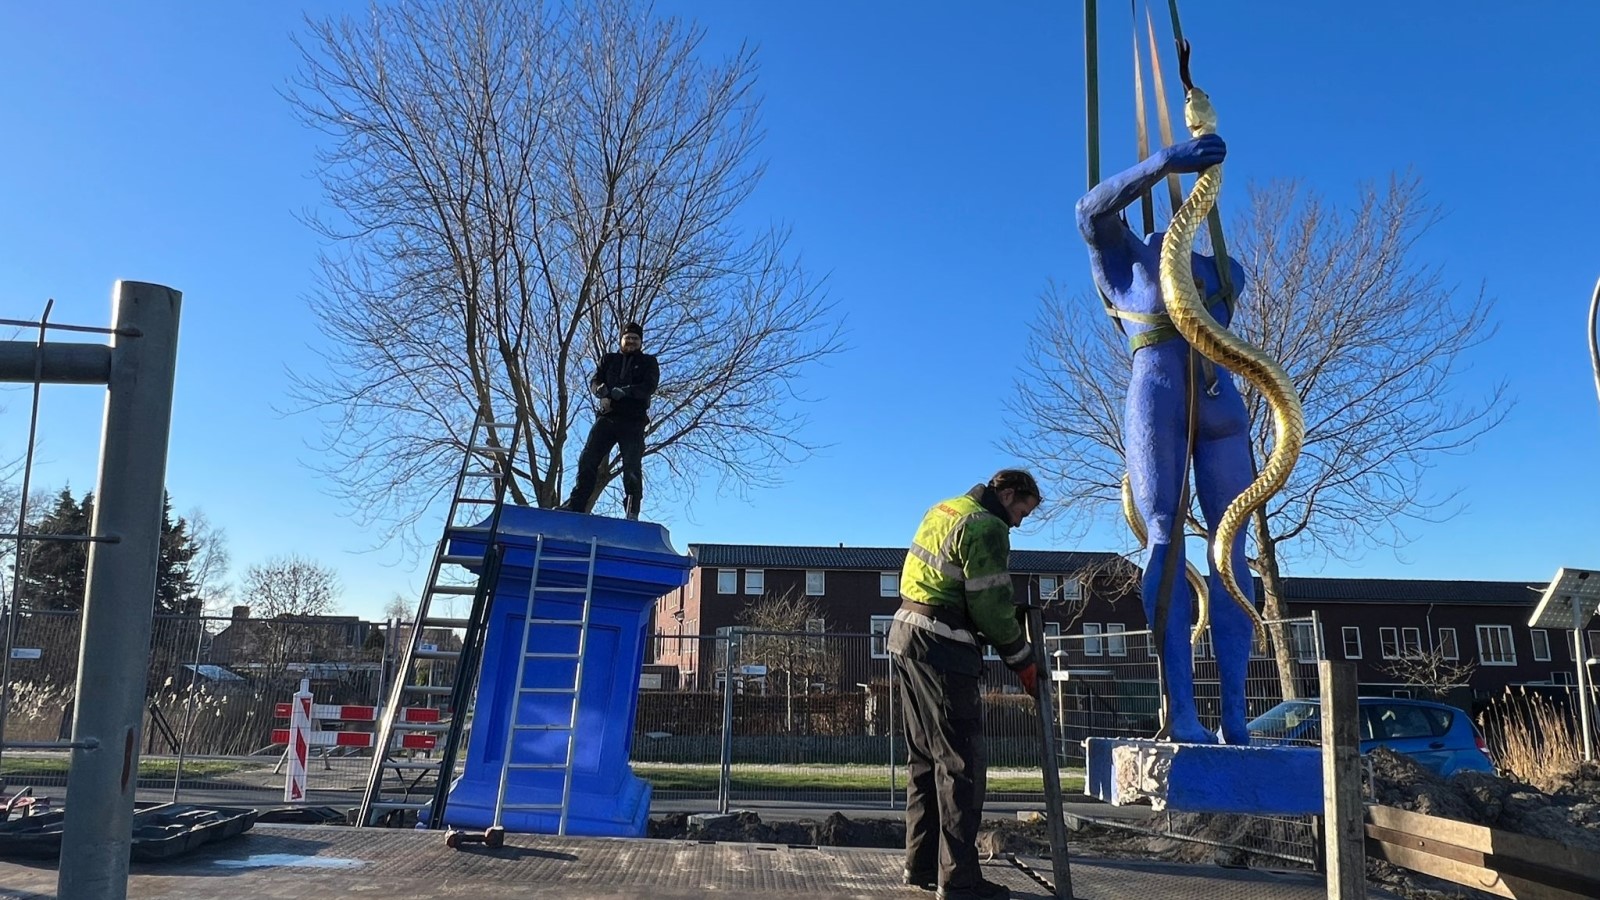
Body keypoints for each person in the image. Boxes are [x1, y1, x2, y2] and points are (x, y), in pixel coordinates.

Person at [1075, 133, 1260, 745]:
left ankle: (1236, 715)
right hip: (1158, 395)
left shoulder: (1222, 269)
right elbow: (1090, 209)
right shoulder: (1127, 262)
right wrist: (1163, 163)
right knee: (1164, 538)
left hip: (1220, 403)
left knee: (1231, 548)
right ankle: (1182, 710)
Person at [888, 469, 1043, 900]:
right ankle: (960, 883)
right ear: (1007, 494)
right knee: (961, 766)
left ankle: (920, 868)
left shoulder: (944, 509)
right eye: (1021, 511)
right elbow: (991, 606)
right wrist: (1023, 659)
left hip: (905, 636)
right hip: (944, 646)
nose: (1019, 522)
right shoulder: (988, 527)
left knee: (924, 760)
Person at [559, 321, 660, 520]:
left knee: (631, 466)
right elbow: (595, 380)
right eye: (627, 338)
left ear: (640, 342)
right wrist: (598, 389)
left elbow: (649, 386)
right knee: (587, 460)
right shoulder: (609, 359)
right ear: (621, 339)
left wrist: (627, 392)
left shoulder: (649, 362)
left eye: (635, 339)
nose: (631, 341)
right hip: (607, 417)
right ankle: (576, 504)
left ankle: (632, 510)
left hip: (633, 421)